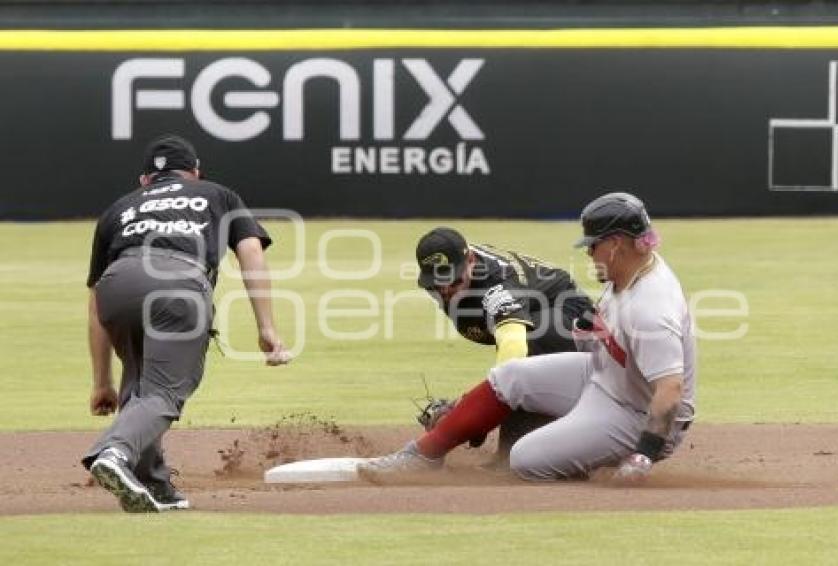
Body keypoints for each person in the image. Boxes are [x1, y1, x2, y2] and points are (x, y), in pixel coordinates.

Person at [360, 192, 695, 482]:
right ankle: (423, 455)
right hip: (604, 375)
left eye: (592, 245)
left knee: (523, 459)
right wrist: (470, 410)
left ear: (616, 244)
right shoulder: (627, 271)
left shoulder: (652, 306)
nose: (588, 253)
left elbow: (670, 390)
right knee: (510, 377)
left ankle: (592, 457)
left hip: (633, 412)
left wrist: (644, 455)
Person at [82, 134, 292, 512]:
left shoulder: (118, 209)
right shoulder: (218, 194)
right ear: (195, 173)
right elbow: (251, 252)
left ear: (144, 180)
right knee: (164, 391)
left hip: (117, 285)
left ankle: (153, 484)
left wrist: (101, 382)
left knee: (140, 383)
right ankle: (114, 452)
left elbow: (95, 300)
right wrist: (266, 328)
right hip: (178, 283)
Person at [414, 227, 594, 455]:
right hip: (538, 317)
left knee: (530, 349)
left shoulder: (497, 285)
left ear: (470, 260)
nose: (447, 290)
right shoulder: (454, 274)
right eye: (437, 285)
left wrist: (475, 410)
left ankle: (511, 452)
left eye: (453, 281)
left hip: (575, 320)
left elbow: (514, 349)